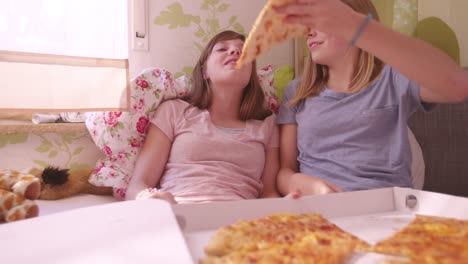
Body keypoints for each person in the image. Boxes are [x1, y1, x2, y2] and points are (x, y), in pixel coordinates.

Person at [273, 0, 468, 197]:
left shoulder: (393, 78)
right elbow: (284, 173)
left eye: (320, 24)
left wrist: (360, 28)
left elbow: (456, 85)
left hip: (385, 209)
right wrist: (303, 183)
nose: (309, 32)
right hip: (319, 211)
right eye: (308, 27)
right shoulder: (297, 91)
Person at [126, 30, 280, 203]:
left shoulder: (267, 124)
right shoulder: (173, 111)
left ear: (250, 76)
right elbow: (138, 185)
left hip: (241, 221)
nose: (235, 52)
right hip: (179, 211)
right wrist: (148, 198)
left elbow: (269, 194)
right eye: (222, 49)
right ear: (204, 70)